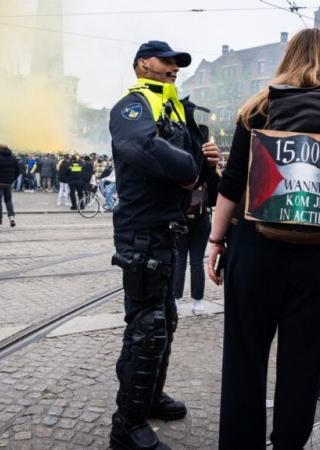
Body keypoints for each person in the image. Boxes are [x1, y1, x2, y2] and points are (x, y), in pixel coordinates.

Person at [207, 29, 320, 449]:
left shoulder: (260, 107)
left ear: (288, 57)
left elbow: (231, 183)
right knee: (304, 368)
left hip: (258, 249)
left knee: (244, 359)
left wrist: (215, 241)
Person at [108, 40, 219, 450]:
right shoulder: (133, 105)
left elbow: (196, 167)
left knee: (163, 320)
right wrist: (192, 167)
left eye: (178, 63)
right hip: (142, 230)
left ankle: (149, 397)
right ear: (143, 64)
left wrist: (207, 157)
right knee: (147, 327)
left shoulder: (176, 108)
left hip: (169, 228)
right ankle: (127, 425)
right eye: (166, 61)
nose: (174, 67)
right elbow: (141, 147)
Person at [173, 173, 218, 313]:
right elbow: (215, 198)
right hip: (201, 220)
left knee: (179, 260)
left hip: (181, 220)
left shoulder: (179, 168)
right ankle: (198, 302)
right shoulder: (207, 172)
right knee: (197, 262)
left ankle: (176, 300)